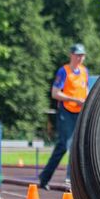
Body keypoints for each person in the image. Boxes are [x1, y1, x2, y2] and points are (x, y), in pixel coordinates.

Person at [39, 43, 89, 190]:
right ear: (71, 55)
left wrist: (86, 101)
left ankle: (70, 180)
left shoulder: (84, 71)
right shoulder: (64, 71)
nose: (80, 58)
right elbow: (55, 93)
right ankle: (45, 177)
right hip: (66, 112)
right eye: (77, 55)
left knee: (77, 146)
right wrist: (74, 100)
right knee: (64, 145)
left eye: (82, 55)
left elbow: (85, 89)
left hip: (79, 112)